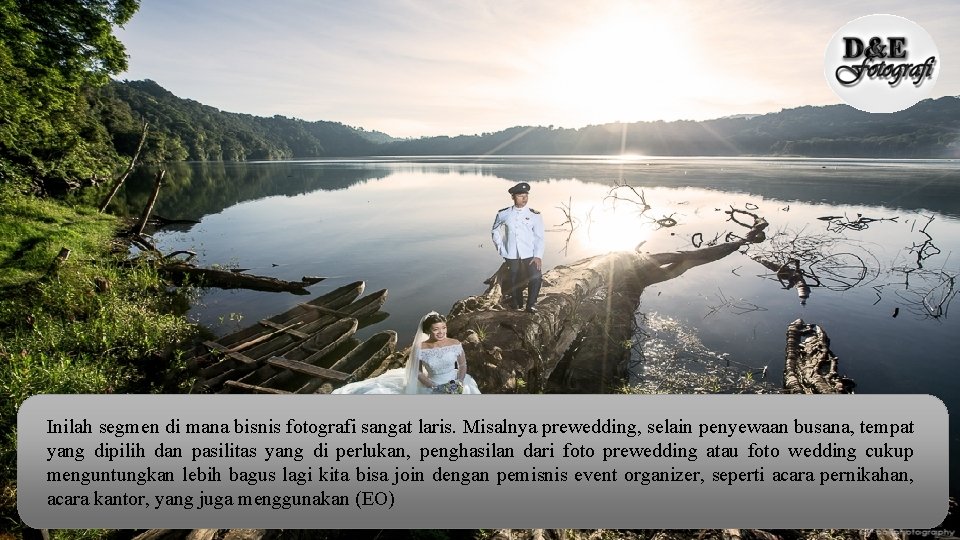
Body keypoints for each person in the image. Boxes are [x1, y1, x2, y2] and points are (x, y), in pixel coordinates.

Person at [332, 311, 481, 394]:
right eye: (436, 329)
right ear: (428, 330)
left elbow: (462, 365)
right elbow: (418, 372)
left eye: (443, 328)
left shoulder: (455, 344)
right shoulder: (421, 348)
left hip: (456, 381)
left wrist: (459, 382)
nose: (441, 332)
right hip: (433, 385)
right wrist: (435, 387)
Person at [491, 182, 545, 312]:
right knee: (514, 279)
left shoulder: (534, 215)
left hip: (529, 253)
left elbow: (539, 237)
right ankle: (517, 304)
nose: (524, 198)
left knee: (536, 277)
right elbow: (495, 230)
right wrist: (501, 248)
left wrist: (538, 255)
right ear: (513, 197)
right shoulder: (504, 214)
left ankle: (531, 304)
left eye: (526, 195)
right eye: (521, 195)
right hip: (511, 253)